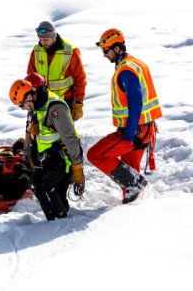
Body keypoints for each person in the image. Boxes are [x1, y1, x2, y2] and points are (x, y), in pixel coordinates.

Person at [87, 28, 162, 204]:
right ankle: (133, 210)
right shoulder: (136, 63)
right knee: (128, 175)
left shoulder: (126, 70)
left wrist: (128, 134)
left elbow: (136, 102)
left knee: (95, 155)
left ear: (118, 47)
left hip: (134, 130)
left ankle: (135, 186)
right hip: (145, 128)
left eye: (106, 50)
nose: (104, 55)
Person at [9, 74, 84, 220]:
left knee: (41, 183)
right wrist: (32, 136)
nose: (23, 108)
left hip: (66, 156)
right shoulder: (36, 106)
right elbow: (34, 132)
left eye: (21, 105)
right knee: (46, 189)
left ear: (29, 97)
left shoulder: (55, 109)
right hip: (51, 156)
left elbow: (71, 140)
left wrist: (77, 167)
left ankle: (57, 220)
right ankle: (59, 215)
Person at [27, 20, 87, 121]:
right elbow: (30, 78)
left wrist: (78, 103)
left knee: (63, 134)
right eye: (40, 39)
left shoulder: (70, 52)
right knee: (41, 134)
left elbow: (80, 79)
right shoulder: (36, 51)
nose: (43, 43)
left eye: (46, 40)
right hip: (42, 101)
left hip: (64, 101)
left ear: (54, 36)